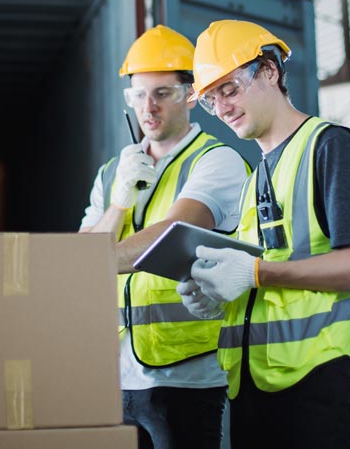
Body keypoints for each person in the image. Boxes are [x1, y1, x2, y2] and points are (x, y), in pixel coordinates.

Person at [176, 20, 350, 449]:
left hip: (312, 385)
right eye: (210, 99)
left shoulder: (330, 147)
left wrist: (256, 273)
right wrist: (218, 296)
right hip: (251, 385)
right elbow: (264, 278)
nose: (221, 108)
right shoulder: (254, 177)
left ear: (270, 72)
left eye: (230, 89)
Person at [79, 25, 249, 449]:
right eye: (138, 95)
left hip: (188, 376)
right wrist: (118, 203)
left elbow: (170, 235)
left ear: (190, 95)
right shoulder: (112, 173)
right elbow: (78, 258)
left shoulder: (216, 161)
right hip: (115, 377)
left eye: (162, 93)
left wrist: (81, 264)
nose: (147, 107)